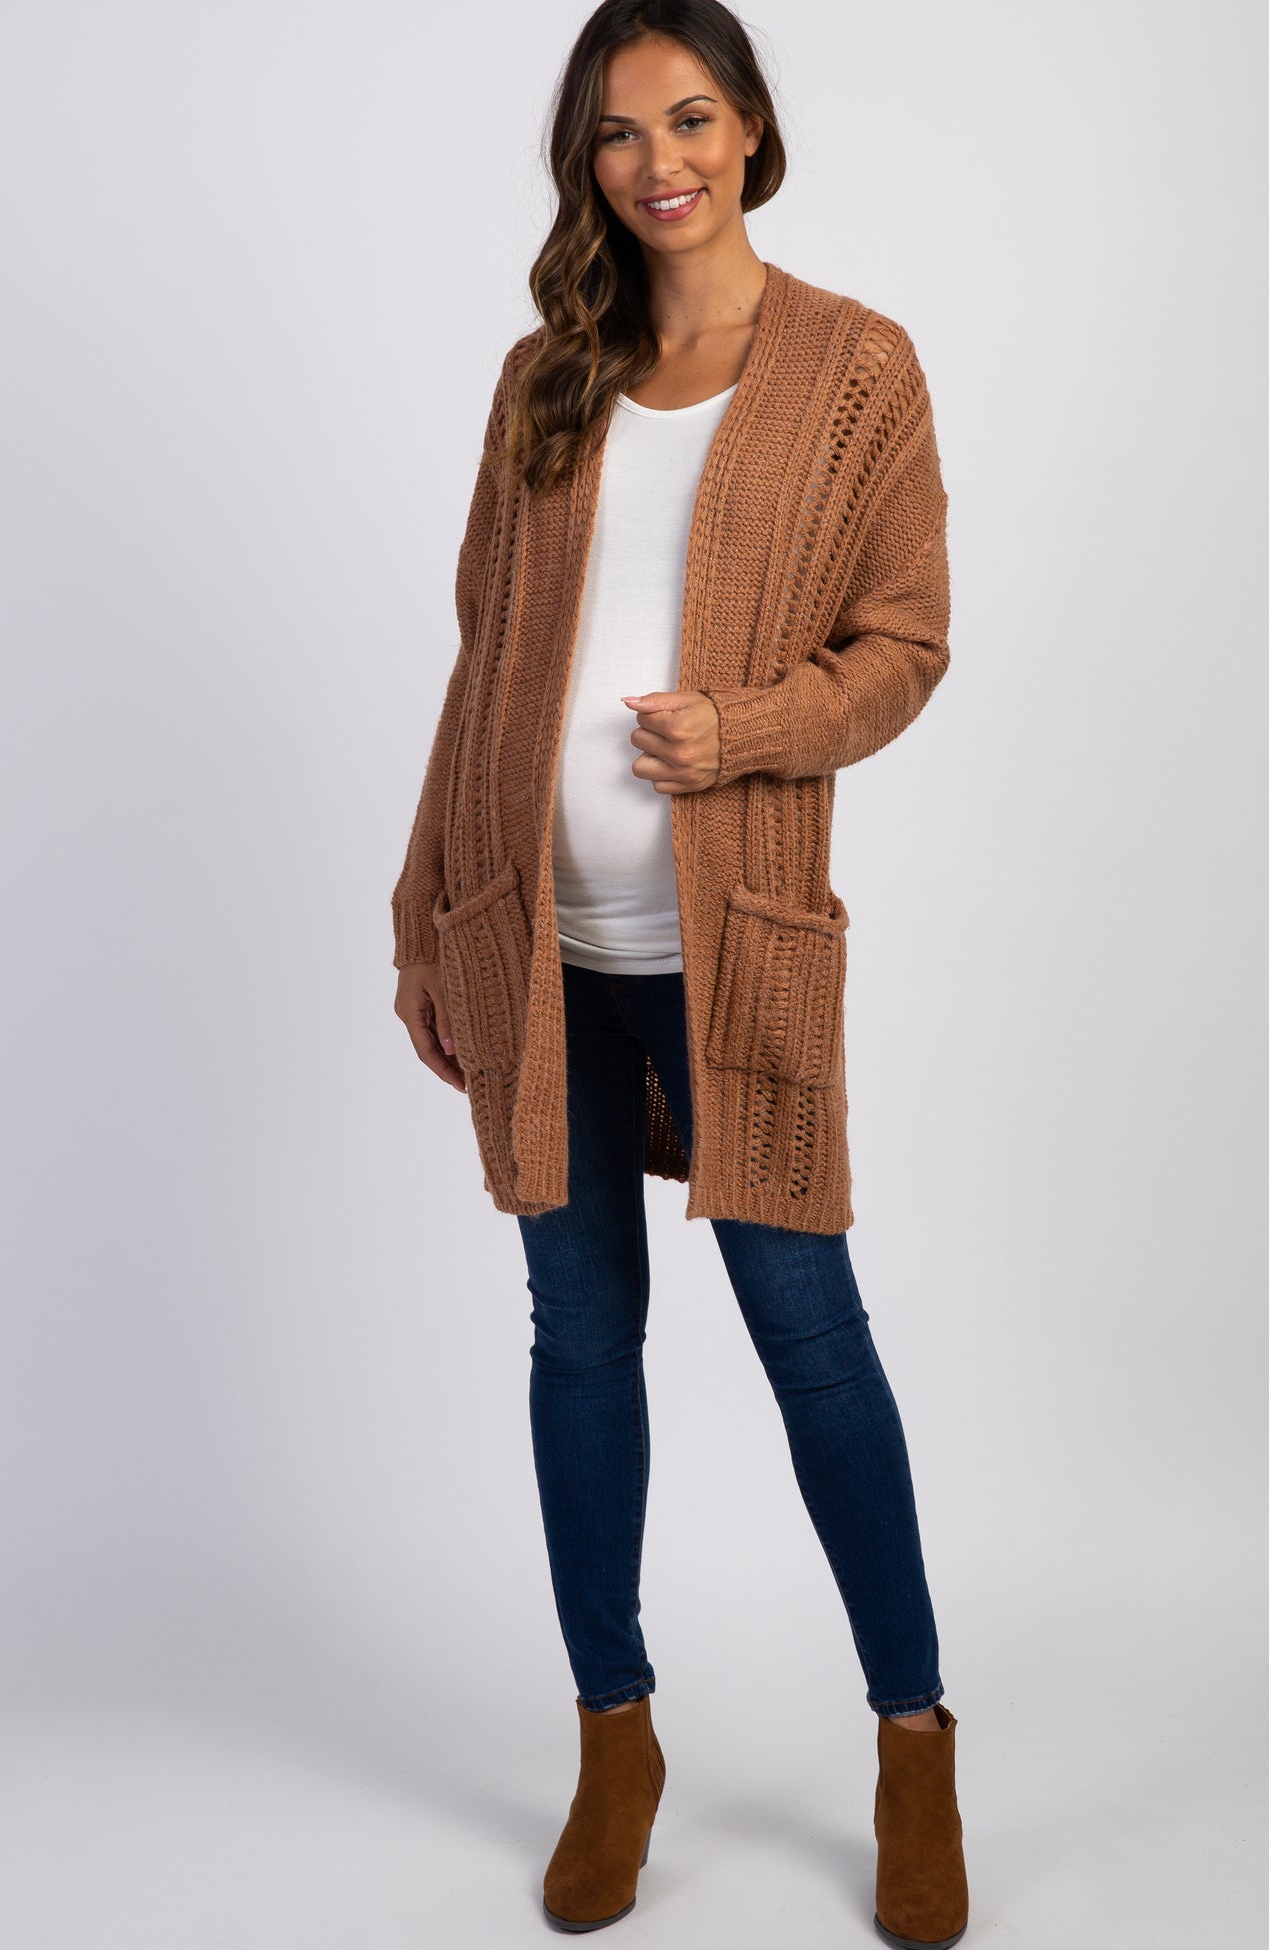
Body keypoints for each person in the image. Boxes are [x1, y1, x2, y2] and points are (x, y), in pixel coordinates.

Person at [391, 3, 968, 1942]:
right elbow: (482, 661)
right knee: (577, 1342)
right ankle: (613, 1737)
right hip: (534, 941)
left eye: (692, 117)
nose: (661, 161)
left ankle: (912, 1740)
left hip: (733, 948)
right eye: (622, 131)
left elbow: (904, 643)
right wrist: (424, 912)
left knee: (811, 1336)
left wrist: (748, 731)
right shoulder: (545, 375)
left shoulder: (853, 368)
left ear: (751, 130)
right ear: (590, 161)